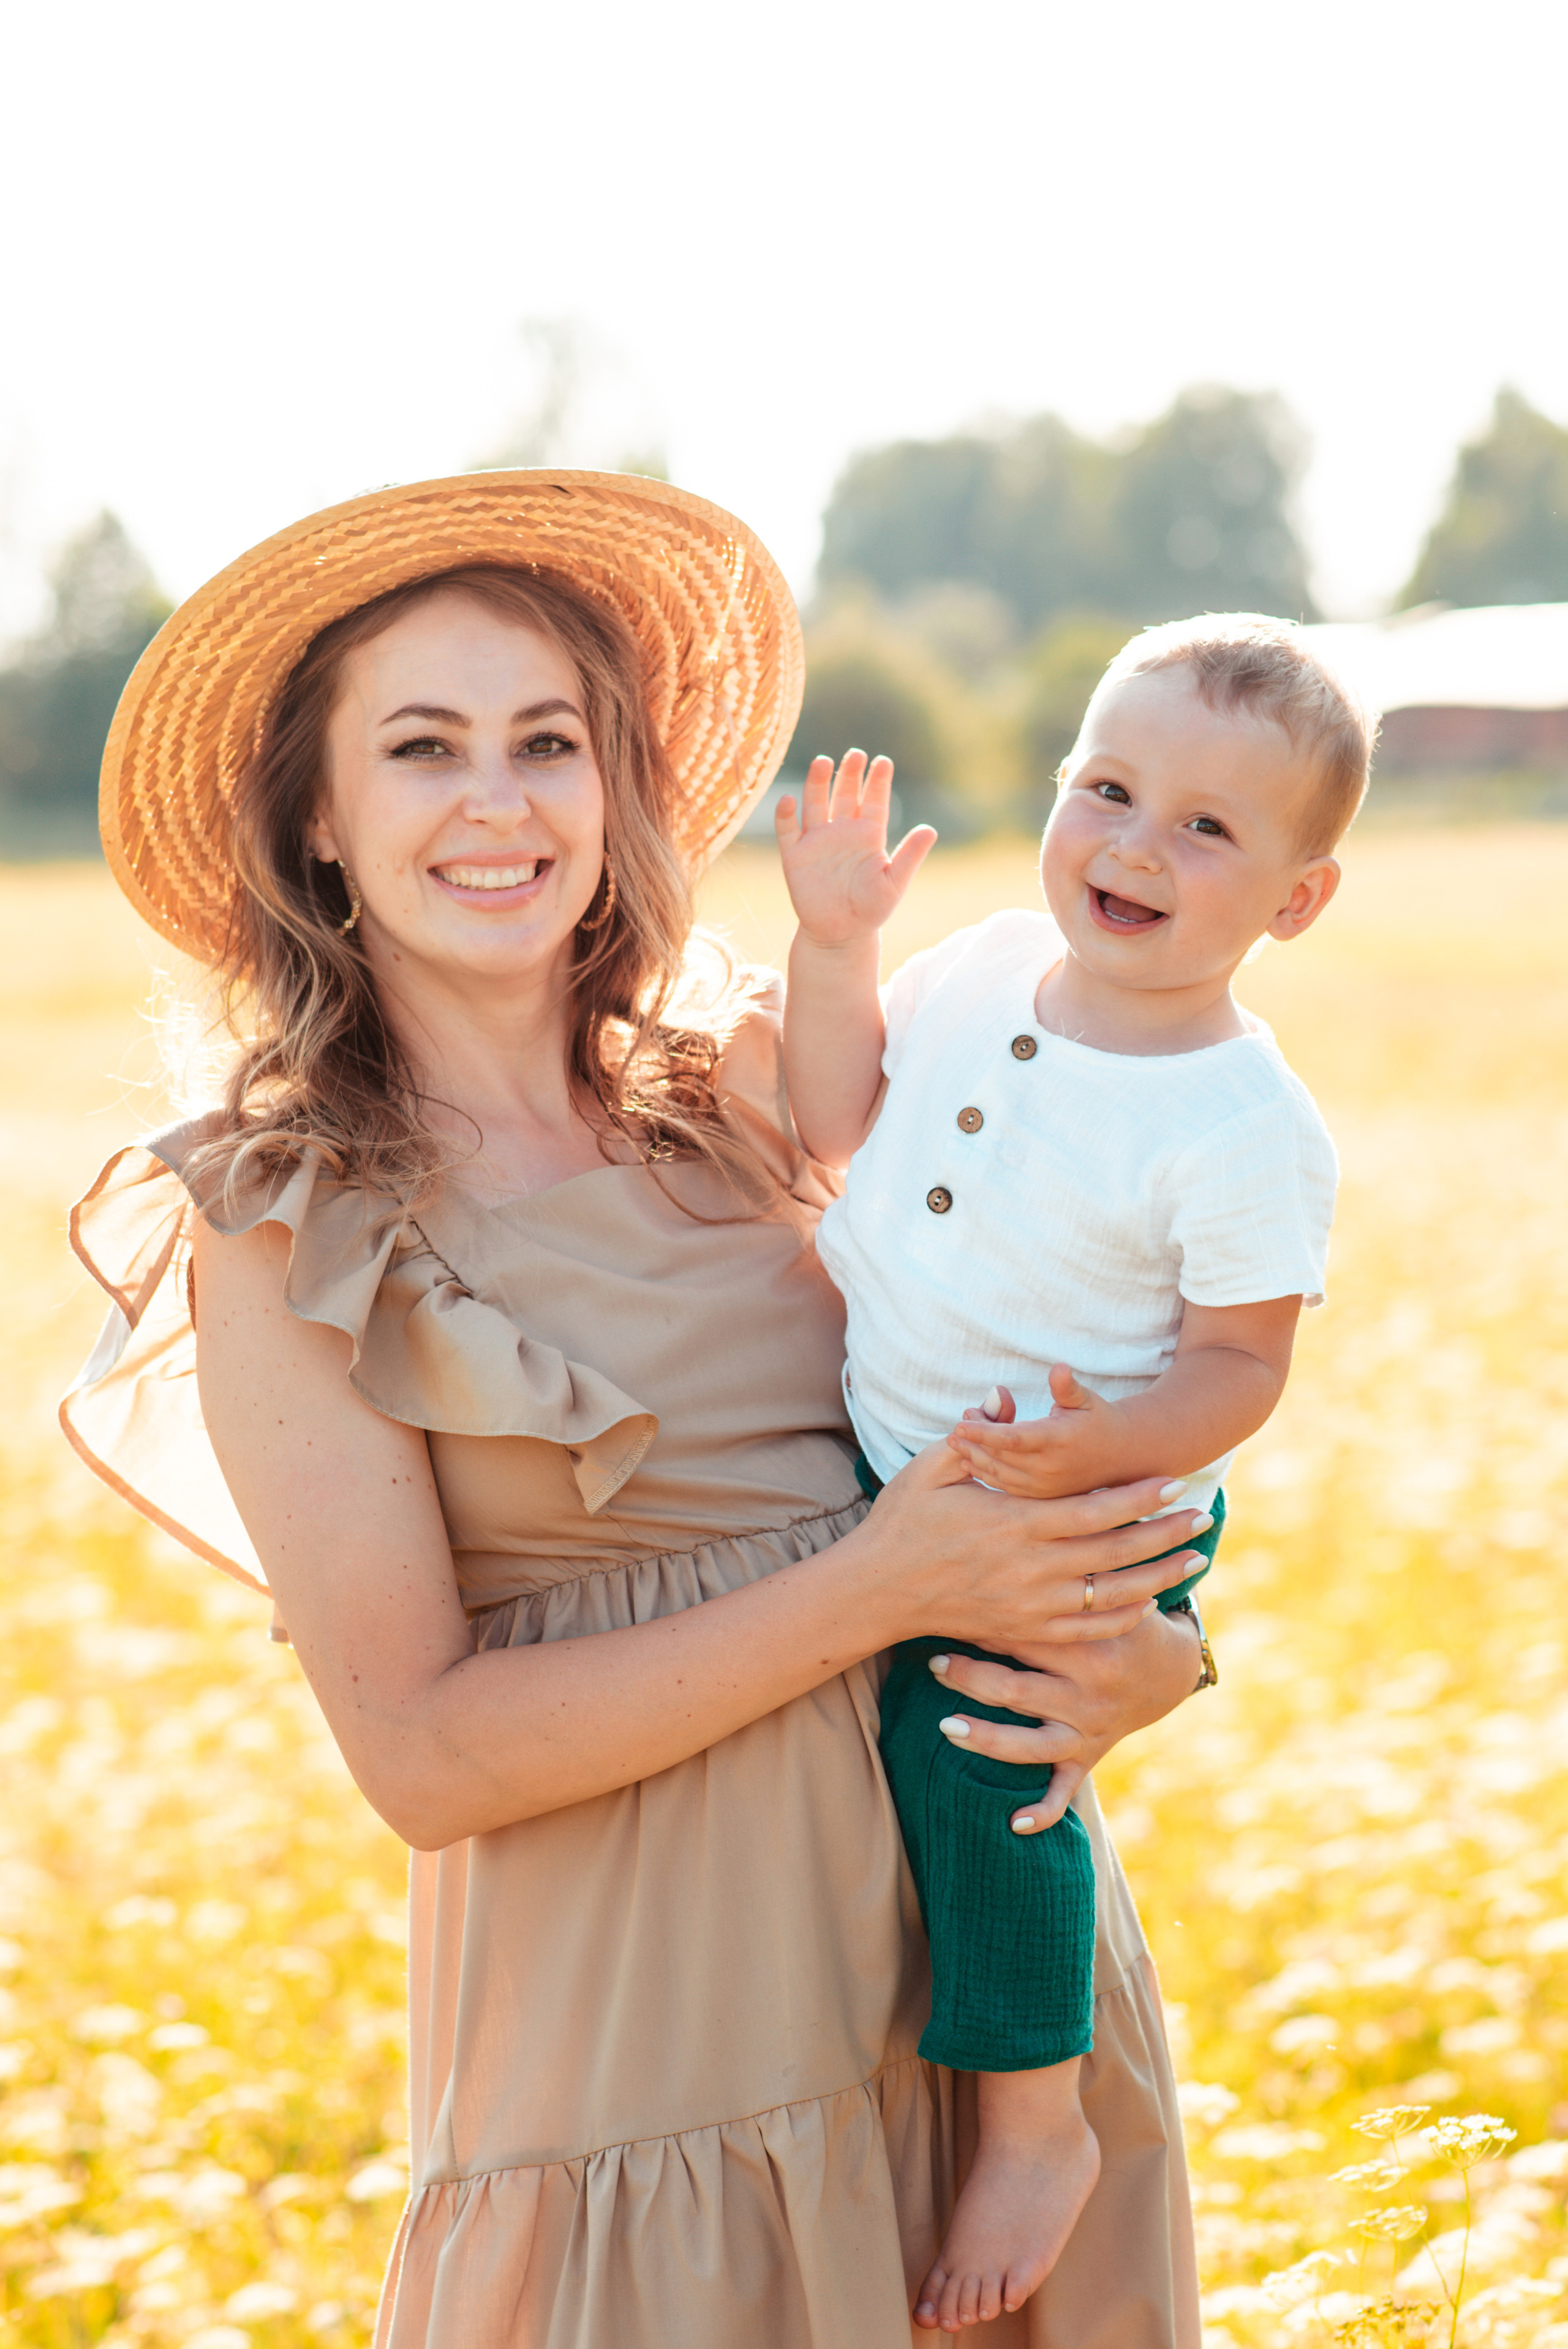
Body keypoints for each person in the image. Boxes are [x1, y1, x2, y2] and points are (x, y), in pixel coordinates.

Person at [61, 470, 1214, 2349]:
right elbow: (420, 1752)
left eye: (549, 741)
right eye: (423, 749)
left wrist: (1152, 1647)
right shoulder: (291, 1233)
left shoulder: (763, 1091)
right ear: (323, 827)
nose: (500, 801)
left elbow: (1040, 1398)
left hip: (988, 2041)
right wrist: (878, 1585)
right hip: (652, 2105)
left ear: (615, 792)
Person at [777, 614, 1370, 2331]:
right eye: (1108, 786)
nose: (1132, 842)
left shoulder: (1243, 1121)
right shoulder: (967, 970)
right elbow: (833, 1124)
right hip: (911, 1456)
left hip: (1088, 1503)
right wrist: (836, 945)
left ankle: (1035, 2125)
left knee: (989, 1753)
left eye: (1207, 826)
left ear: (1296, 899)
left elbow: (1240, 1368)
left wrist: (1088, 1450)